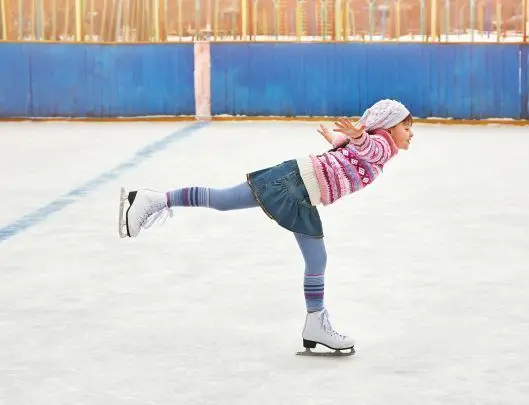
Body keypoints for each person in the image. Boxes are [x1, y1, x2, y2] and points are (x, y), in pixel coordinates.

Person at [118, 99, 414, 355]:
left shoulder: (375, 148)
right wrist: (359, 138)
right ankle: (154, 200)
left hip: (303, 193)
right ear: (388, 129)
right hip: (294, 185)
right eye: (406, 127)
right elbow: (370, 148)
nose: (410, 134)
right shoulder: (382, 148)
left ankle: (315, 323)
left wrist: (344, 140)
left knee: (316, 259)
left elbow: (357, 152)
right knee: (224, 199)